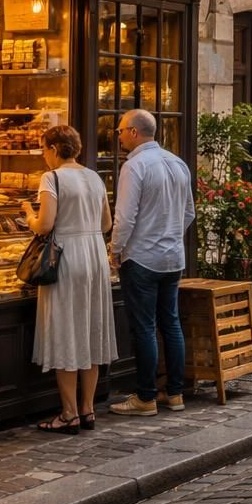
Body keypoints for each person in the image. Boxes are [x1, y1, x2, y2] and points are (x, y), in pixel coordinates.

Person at [23, 125, 117, 433]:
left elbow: (45, 225)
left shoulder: (52, 178)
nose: (43, 156)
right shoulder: (94, 177)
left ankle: (68, 413)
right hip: (94, 256)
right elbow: (106, 222)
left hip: (66, 257)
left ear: (52, 148)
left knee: (65, 331)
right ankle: (88, 410)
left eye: (43, 149)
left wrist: (27, 213)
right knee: (90, 331)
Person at [109, 109, 194, 417]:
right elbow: (189, 213)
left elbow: (126, 216)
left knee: (144, 327)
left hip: (142, 258)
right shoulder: (177, 163)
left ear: (134, 132)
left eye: (120, 130)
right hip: (173, 258)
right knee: (170, 324)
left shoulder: (135, 166)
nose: (117, 135)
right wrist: (170, 236)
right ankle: (175, 393)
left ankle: (145, 397)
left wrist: (116, 250)